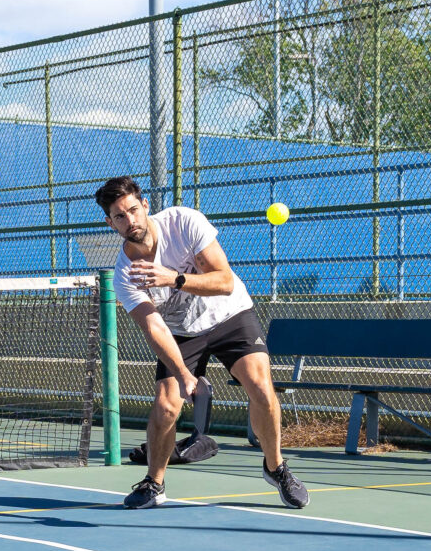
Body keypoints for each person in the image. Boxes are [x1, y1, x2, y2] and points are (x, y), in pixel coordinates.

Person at [94, 175, 310, 510]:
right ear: (110, 222)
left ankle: (275, 467)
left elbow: (224, 282)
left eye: (133, 210)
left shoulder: (184, 222)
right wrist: (183, 374)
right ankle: (155, 483)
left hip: (229, 314)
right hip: (179, 330)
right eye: (120, 216)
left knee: (261, 387)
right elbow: (154, 327)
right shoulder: (125, 272)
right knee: (167, 406)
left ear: (145, 205)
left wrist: (174, 278)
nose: (130, 220)